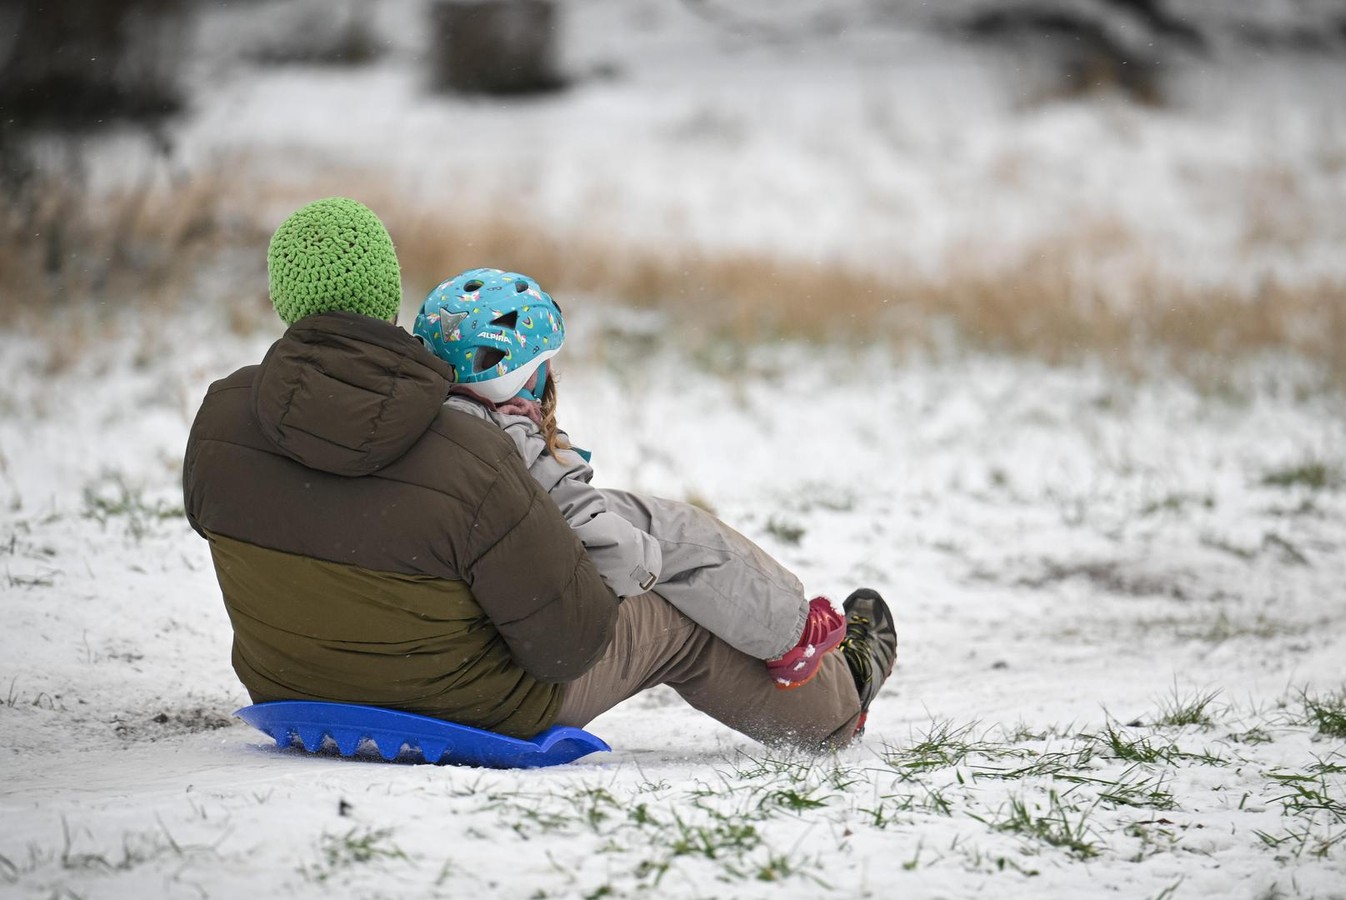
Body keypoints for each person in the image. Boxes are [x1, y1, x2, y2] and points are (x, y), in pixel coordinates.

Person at [182, 197, 897, 752]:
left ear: (282, 296)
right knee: (678, 612)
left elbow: (337, 517)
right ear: (388, 290)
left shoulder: (219, 421)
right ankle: (835, 708)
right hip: (465, 704)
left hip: (289, 683)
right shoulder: (464, 452)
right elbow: (567, 643)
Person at [414, 266, 847, 692]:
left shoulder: (419, 423)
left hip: (441, 629)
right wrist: (646, 562)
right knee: (674, 535)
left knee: (636, 517)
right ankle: (792, 635)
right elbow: (614, 553)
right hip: (517, 651)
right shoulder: (514, 442)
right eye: (542, 364)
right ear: (518, 375)